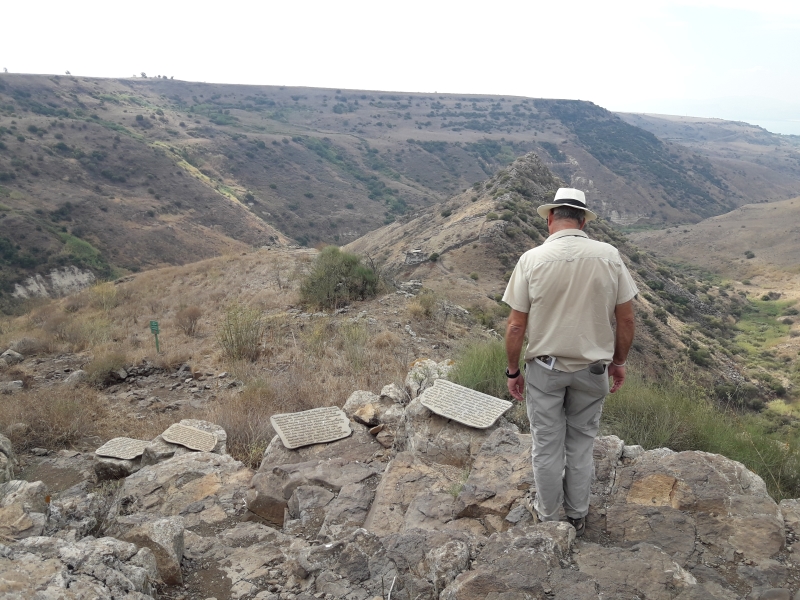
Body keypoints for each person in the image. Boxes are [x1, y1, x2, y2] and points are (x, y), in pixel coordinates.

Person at [502, 187, 637, 537]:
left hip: (545, 370)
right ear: (583, 221)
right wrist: (619, 361)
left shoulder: (531, 259)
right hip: (593, 371)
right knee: (581, 444)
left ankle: (548, 517)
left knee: (547, 446)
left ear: (550, 218)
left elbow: (516, 325)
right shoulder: (609, 256)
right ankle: (577, 514)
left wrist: (513, 370)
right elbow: (626, 319)